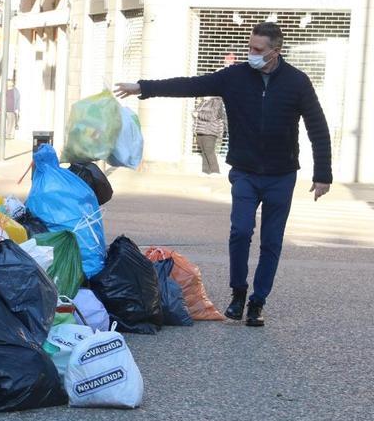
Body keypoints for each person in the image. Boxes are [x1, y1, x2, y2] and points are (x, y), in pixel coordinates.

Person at [114, 22, 332, 327]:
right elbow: (190, 85)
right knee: (240, 231)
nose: (251, 54)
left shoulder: (297, 82)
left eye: (258, 50)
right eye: (249, 47)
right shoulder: (235, 77)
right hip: (244, 171)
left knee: (272, 241)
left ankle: (257, 302)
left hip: (281, 175)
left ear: (275, 51)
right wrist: (144, 87)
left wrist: (323, 173)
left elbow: (317, 127)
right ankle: (238, 293)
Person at [193, 96, 225, 175]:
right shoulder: (203, 102)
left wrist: (198, 114)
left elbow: (212, 116)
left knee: (209, 151)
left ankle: (215, 171)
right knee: (204, 152)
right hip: (200, 130)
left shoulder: (217, 102)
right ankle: (205, 171)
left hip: (210, 131)